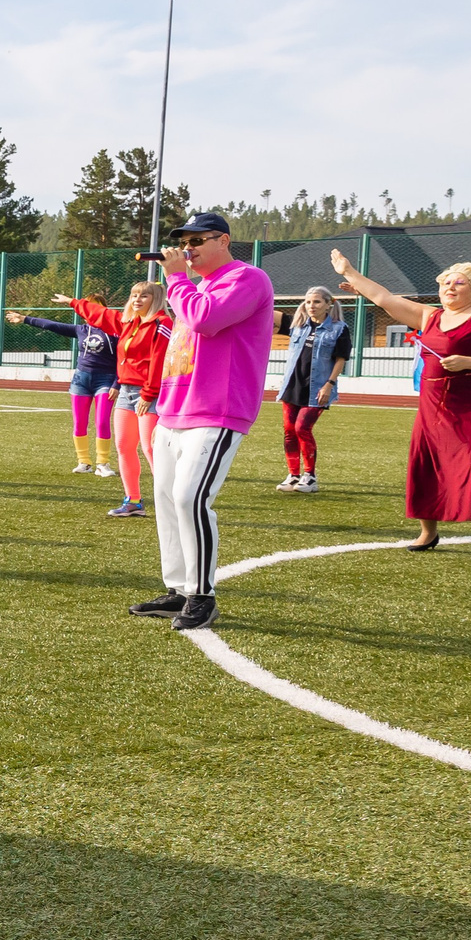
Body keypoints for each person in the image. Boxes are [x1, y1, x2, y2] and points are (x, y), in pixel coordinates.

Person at [128, 212, 273, 630]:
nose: (187, 249)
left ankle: (202, 595)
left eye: (196, 241)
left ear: (223, 241)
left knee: (191, 498)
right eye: (183, 243)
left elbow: (204, 320)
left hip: (216, 410)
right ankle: (179, 588)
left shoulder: (247, 278)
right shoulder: (197, 286)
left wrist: (176, 278)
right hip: (175, 409)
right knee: (166, 500)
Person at [330, 253, 471, 558]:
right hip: (432, 404)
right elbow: (384, 298)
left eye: (459, 283)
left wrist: (468, 362)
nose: (450, 287)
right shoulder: (429, 316)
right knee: (425, 463)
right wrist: (350, 272)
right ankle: (428, 531)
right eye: (446, 282)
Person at [52, 281, 173, 518]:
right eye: (134, 295)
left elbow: (159, 361)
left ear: (156, 299)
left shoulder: (162, 323)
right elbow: (102, 314)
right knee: (124, 447)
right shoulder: (129, 322)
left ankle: (171, 503)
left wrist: (148, 394)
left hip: (149, 393)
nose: (136, 300)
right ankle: (133, 501)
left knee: (151, 448)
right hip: (126, 392)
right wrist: (72, 302)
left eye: (144, 296)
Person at [5, 297, 119, 476]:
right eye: (88, 309)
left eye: (96, 309)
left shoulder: (116, 332)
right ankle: (84, 462)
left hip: (105, 380)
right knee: (79, 422)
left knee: (102, 421)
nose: (92, 313)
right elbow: (52, 325)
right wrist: (24, 318)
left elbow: (124, 360)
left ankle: (102, 463)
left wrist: (117, 383)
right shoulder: (81, 329)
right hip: (81, 381)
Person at [273, 286, 350, 492]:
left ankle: (310, 477)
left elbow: (341, 359)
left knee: (302, 428)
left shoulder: (339, 329)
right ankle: (293, 475)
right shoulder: (297, 324)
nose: (311, 306)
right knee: (289, 431)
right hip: (292, 386)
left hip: (317, 388)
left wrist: (329, 384)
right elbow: (267, 312)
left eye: (316, 302)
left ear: (328, 304)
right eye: (308, 302)